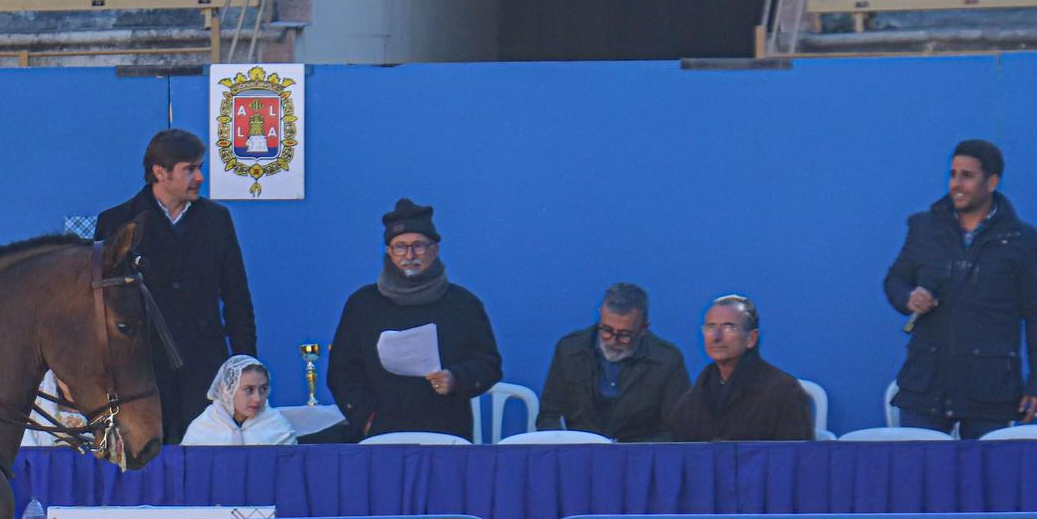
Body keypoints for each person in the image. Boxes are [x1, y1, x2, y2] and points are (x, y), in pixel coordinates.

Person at [884, 139, 1037, 439]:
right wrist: (908, 298)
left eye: (967, 175)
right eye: (953, 174)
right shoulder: (925, 227)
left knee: (985, 480)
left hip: (989, 386)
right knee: (918, 476)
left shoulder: (1021, 239)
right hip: (927, 382)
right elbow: (894, 280)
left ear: (992, 182)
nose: (956, 184)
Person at [94, 128, 256, 442]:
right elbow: (100, 307)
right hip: (141, 371)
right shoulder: (117, 222)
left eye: (200, 168)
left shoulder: (217, 219)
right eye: (190, 169)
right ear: (160, 172)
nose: (200, 177)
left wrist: (245, 365)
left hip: (205, 367)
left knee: (206, 464)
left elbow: (237, 298)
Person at [328, 199, 502, 441]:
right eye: (400, 246)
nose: (409, 255)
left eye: (418, 246)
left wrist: (455, 378)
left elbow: (489, 364)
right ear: (389, 252)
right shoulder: (362, 304)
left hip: (447, 431)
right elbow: (342, 370)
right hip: (379, 433)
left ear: (435, 250)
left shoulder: (463, 304)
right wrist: (367, 418)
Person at [537, 283, 691, 442]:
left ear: (643, 328)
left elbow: (675, 429)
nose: (612, 341)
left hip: (639, 457)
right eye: (606, 330)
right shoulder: (569, 350)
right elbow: (549, 415)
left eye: (624, 334)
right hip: (579, 455)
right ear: (600, 316)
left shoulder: (667, 360)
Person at [667, 295, 814, 442]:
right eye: (710, 327)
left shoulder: (784, 392)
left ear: (751, 338)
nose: (716, 337)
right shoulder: (691, 401)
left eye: (729, 327)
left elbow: (799, 459)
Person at [182, 354, 297, 446]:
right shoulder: (202, 427)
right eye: (249, 389)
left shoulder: (277, 426)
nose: (257, 398)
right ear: (227, 390)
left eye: (263, 389)